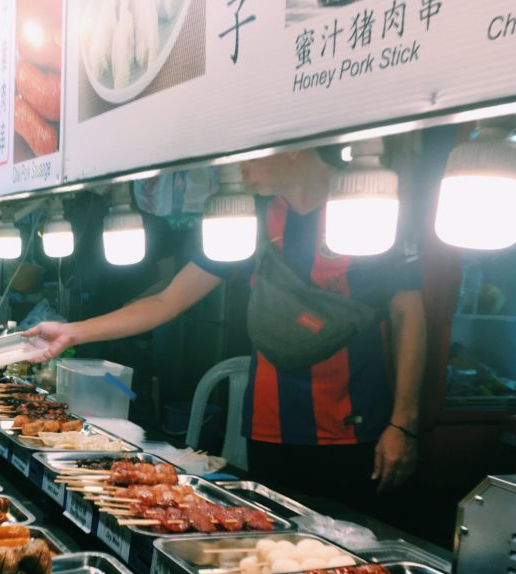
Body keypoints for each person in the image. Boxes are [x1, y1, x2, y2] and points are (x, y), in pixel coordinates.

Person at [25, 149, 426, 506]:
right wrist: (74, 331)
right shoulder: (246, 218)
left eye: (249, 149)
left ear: (291, 147)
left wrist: (403, 422)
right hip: (269, 429)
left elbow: (409, 316)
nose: (236, 161)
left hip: (355, 431)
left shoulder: (372, 210)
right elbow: (169, 300)